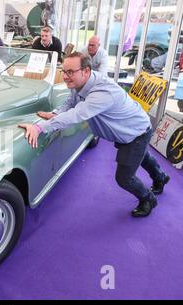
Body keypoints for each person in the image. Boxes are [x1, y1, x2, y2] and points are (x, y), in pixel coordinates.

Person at [18, 52, 170, 217]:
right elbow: (71, 102)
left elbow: (76, 114)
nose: (66, 76)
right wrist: (55, 113)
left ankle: (148, 199)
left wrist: (40, 128)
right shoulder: (82, 83)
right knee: (142, 156)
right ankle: (161, 177)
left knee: (124, 177)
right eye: (64, 71)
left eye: (70, 72)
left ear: (86, 71)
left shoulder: (102, 92)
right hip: (127, 130)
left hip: (136, 131)